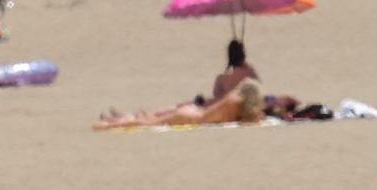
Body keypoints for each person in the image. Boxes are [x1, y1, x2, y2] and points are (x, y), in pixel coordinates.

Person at [94, 38, 265, 130]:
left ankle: (117, 118)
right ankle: (111, 123)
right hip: (194, 116)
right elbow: (251, 118)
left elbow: (217, 95)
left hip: (197, 109)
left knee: (154, 117)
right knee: (149, 123)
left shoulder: (224, 78)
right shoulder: (243, 87)